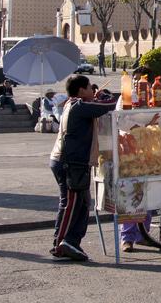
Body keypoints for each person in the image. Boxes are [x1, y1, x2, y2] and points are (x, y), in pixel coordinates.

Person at [49, 74, 117, 262]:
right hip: (70, 163)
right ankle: (61, 243)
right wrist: (103, 95)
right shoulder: (79, 106)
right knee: (70, 204)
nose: (92, 91)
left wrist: (96, 96)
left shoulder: (75, 105)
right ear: (81, 90)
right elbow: (109, 104)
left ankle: (71, 241)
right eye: (89, 88)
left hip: (74, 162)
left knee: (83, 203)